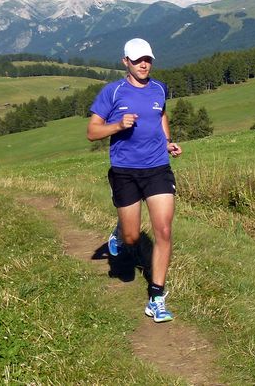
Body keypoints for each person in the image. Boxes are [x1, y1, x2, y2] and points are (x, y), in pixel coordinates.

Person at [87, 38, 182, 323]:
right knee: (131, 237)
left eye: (148, 59)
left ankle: (156, 297)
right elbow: (92, 132)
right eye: (138, 59)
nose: (144, 64)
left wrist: (167, 142)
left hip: (157, 168)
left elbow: (161, 113)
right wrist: (118, 125)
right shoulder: (112, 92)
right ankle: (119, 232)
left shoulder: (159, 88)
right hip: (125, 170)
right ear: (125, 61)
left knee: (163, 230)